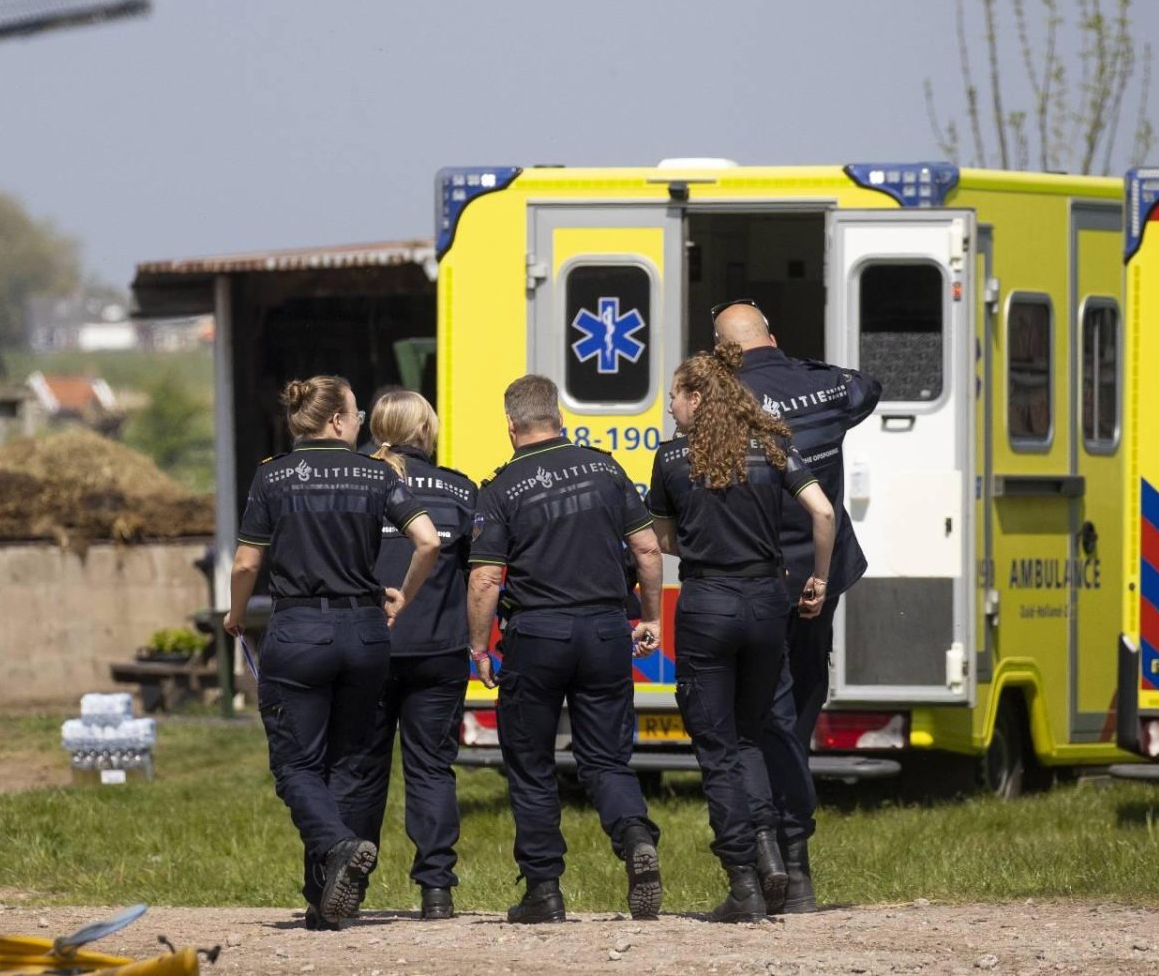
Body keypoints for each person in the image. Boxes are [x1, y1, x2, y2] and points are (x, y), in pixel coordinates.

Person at [225, 375, 442, 930]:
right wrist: (402, 597)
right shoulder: (377, 474)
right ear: (339, 422)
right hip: (366, 633)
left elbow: (248, 563)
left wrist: (234, 615)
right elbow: (429, 541)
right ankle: (324, 902)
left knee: (297, 764)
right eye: (357, 413)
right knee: (347, 764)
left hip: (299, 631)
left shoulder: (273, 476)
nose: (362, 422)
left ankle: (339, 846)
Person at [647, 342, 835, 922]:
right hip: (766, 603)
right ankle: (771, 848)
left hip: (707, 604)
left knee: (717, 748)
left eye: (674, 397)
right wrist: (820, 581)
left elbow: (662, 539)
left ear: (696, 397)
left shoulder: (671, 459)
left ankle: (744, 883)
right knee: (752, 736)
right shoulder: (774, 447)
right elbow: (823, 513)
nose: (670, 410)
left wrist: (701, 539)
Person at [466, 375, 665, 924]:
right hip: (605, 630)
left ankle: (544, 891)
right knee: (605, 757)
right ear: (557, 416)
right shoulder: (605, 467)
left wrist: (479, 648)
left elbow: (485, 579)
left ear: (511, 425)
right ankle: (633, 837)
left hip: (538, 637)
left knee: (531, 764)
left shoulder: (501, 487)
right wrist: (650, 615)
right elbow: (647, 547)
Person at [714, 299, 881, 911]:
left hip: (754, 579)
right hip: (819, 576)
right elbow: (870, 386)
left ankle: (773, 856)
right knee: (801, 710)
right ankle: (797, 863)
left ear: (724, 352)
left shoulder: (725, 399)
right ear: (772, 338)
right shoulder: (826, 389)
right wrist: (795, 364)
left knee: (758, 719)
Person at [347, 390, 477, 921]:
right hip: (440, 649)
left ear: (379, 429)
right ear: (427, 430)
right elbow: (480, 576)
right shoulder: (462, 491)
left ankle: (347, 884)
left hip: (368, 645)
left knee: (360, 769)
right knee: (431, 768)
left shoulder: (356, 484)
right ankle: (436, 890)